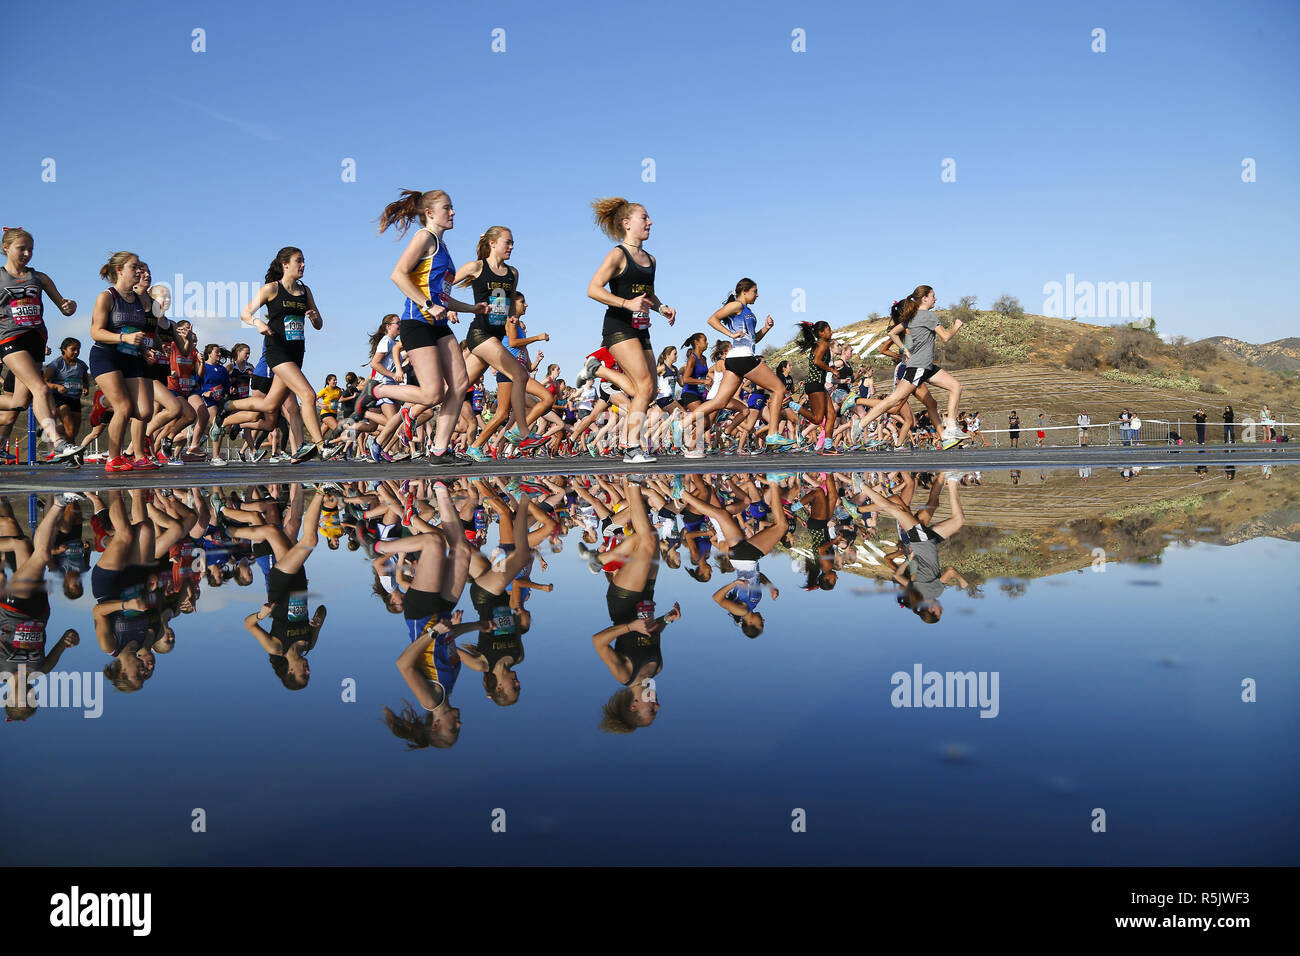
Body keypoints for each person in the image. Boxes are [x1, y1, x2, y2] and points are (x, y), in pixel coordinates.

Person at [586, 198, 676, 464]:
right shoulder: (617, 254)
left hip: (641, 328)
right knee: (645, 385)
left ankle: (601, 371)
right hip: (618, 327)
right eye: (644, 218)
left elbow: (648, 294)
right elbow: (593, 289)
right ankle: (630, 446)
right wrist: (626, 303)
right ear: (627, 224)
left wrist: (662, 308)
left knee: (649, 389)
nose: (650, 222)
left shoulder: (651, 260)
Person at [225, 247, 335, 462]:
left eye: (304, 261)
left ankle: (227, 407)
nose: (303, 265)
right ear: (285, 264)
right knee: (308, 395)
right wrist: (257, 322)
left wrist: (313, 318)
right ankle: (320, 446)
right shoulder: (271, 289)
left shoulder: (305, 291)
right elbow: (245, 313)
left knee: (269, 406)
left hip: (297, 352)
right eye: (298, 261)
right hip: (277, 351)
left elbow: (320, 324)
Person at [851, 286, 969, 450]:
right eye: (933, 296)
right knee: (894, 400)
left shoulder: (912, 317)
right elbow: (946, 337)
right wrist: (956, 325)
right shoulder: (928, 316)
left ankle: (950, 428)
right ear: (925, 298)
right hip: (919, 367)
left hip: (926, 367)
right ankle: (861, 423)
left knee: (956, 386)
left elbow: (892, 333)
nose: (936, 299)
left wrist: (904, 348)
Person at [0, 227, 82, 462]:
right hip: (10, 339)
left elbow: (65, 308)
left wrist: (70, 307)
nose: (27, 253)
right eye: (21, 248)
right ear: (6, 248)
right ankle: (57, 443)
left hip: (36, 339)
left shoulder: (39, 277)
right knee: (42, 389)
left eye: (30, 250)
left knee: (19, 402)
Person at [683, 279, 792, 455]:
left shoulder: (747, 311)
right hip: (742, 358)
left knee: (719, 402)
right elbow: (712, 319)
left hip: (737, 359)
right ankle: (772, 434)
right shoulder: (737, 305)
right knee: (779, 388)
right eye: (755, 291)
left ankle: (681, 424)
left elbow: (752, 339)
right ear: (744, 291)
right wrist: (730, 334)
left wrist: (766, 328)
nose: (757, 295)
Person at [44, 338, 90, 446]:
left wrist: (85, 388)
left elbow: (85, 381)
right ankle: (72, 456)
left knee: (74, 431)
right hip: (60, 398)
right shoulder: (56, 364)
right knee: (70, 428)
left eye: (78, 349)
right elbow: (43, 381)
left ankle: (48, 431)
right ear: (64, 349)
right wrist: (56, 386)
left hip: (75, 399)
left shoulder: (82, 365)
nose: (76, 352)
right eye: (73, 349)